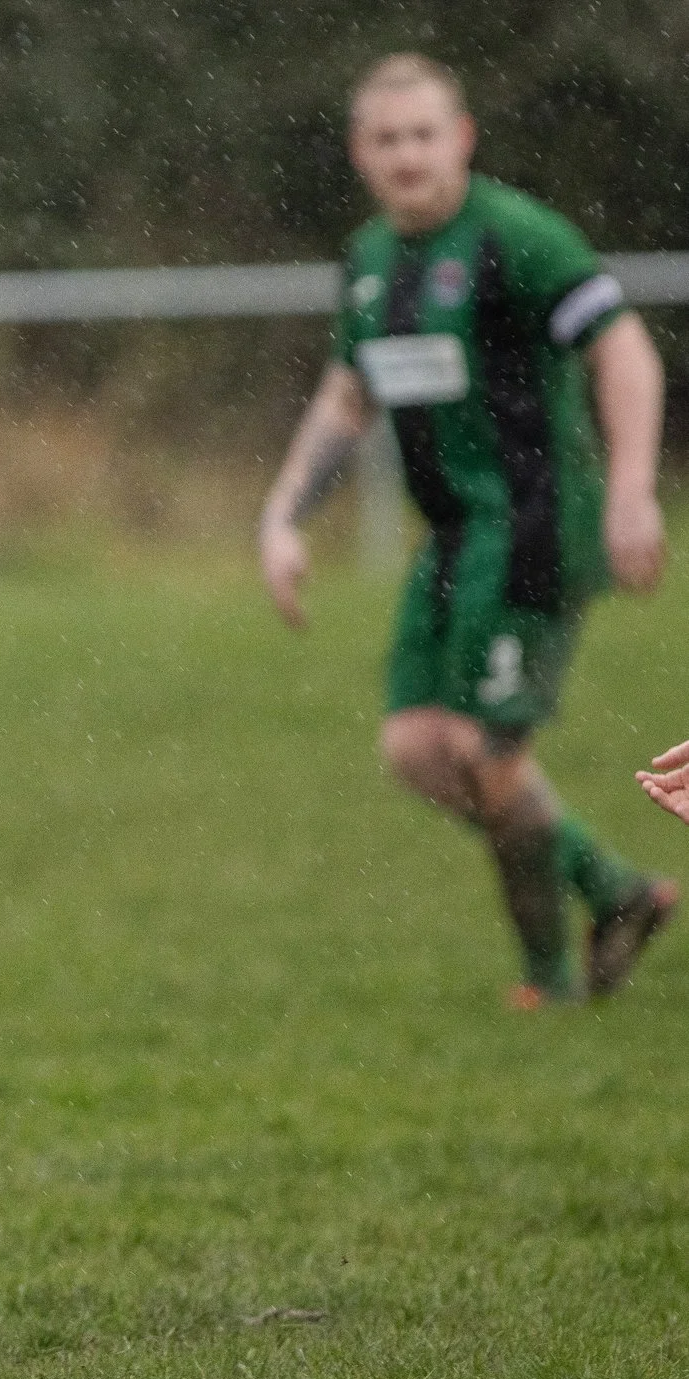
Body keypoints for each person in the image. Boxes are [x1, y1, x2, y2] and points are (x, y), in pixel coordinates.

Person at [258, 53, 674, 1006]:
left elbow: (623, 349)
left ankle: (550, 980)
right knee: (415, 750)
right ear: (361, 152)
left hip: (533, 526)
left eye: (424, 134)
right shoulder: (370, 259)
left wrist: (632, 489)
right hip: (450, 538)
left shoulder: (515, 236)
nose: (407, 155)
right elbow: (348, 395)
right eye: (387, 138)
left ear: (463, 139)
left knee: (488, 756)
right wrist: (283, 514)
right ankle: (614, 888)